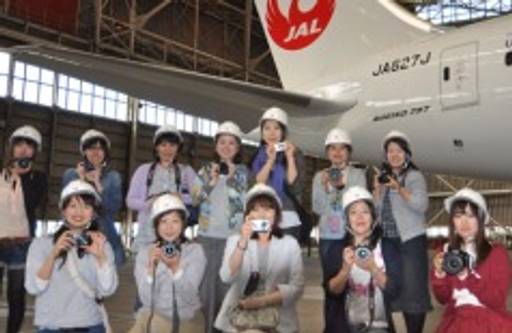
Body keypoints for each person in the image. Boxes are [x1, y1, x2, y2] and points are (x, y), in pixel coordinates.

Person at [25, 180, 118, 332]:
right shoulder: (41, 244)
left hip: (91, 325)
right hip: (52, 326)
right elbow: (34, 288)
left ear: (93, 213)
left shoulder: (101, 245)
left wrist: (101, 258)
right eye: (73, 206)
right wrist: (53, 254)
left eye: (86, 207)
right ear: (63, 210)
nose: (79, 212)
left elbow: (107, 289)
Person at [215, 183, 305, 333]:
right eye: (255, 209)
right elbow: (226, 277)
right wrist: (243, 242)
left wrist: (261, 302)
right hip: (239, 318)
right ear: (248, 216)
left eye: (268, 208)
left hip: (278, 319)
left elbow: (298, 287)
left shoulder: (290, 244)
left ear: (276, 214)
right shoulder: (234, 240)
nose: (262, 214)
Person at [373, 130, 431, 333]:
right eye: (390, 151)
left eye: (399, 150)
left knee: (413, 291)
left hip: (410, 240)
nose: (394, 154)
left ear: (407, 154)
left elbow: (421, 205)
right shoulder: (384, 179)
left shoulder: (414, 177)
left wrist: (398, 187)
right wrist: (377, 190)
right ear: (385, 156)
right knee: (387, 288)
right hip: (388, 241)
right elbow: (376, 211)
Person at [431, 188, 512, 333]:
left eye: (471, 215)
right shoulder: (445, 252)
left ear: (480, 219)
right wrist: (439, 275)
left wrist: (466, 276)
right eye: (458, 216)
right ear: (452, 221)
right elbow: (442, 299)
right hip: (455, 322)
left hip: (490, 322)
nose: (464, 222)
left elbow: (496, 300)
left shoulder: (497, 253)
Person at [196, 121, 249, 333]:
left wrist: (233, 176)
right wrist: (211, 180)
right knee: (208, 292)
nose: (226, 147)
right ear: (216, 146)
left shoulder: (244, 172)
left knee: (230, 291)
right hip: (208, 238)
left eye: (231, 143)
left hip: (234, 240)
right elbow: (195, 198)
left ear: (237, 148)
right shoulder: (206, 170)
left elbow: (247, 202)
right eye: (222, 142)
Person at [312, 128, 367, 332]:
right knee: (332, 287)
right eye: (332, 149)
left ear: (349, 152)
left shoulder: (358, 175)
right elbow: (317, 208)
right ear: (327, 153)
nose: (337, 153)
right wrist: (326, 187)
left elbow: (360, 203)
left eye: (342, 148)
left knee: (355, 286)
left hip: (352, 236)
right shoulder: (319, 177)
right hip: (329, 237)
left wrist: (341, 186)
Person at [326, 186, 401, 333]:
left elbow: (394, 291)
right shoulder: (337, 248)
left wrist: (373, 268)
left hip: (378, 325)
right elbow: (332, 292)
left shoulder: (387, 246)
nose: (359, 217)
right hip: (344, 325)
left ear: (373, 216)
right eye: (353, 212)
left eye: (365, 212)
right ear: (346, 219)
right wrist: (345, 270)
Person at [129, 194, 206, 333]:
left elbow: (188, 297)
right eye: (163, 221)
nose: (169, 227)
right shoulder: (145, 253)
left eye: (175, 221)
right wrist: (151, 268)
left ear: (183, 224)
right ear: (156, 225)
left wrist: (176, 268)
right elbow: (146, 300)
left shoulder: (194, 251)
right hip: (153, 317)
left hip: (186, 321)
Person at [0, 125, 47, 333]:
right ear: (12, 148)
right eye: (19, 144)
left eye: (29, 145)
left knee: (16, 295)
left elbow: (29, 203)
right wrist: (10, 176)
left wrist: (20, 177)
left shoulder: (38, 178)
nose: (24, 149)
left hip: (21, 244)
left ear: (35, 151)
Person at [126, 124, 202, 253]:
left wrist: (181, 198)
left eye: (172, 145)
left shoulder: (186, 171)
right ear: (156, 147)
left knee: (172, 268)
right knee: (145, 269)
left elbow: (201, 196)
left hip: (174, 235)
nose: (168, 150)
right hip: (146, 237)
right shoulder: (143, 170)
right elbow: (130, 201)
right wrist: (149, 203)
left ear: (178, 148)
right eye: (163, 145)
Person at [62, 129, 125, 266]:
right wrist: (81, 180)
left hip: (104, 231)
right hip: (76, 232)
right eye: (91, 148)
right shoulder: (71, 175)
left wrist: (97, 185)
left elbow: (112, 209)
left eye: (100, 148)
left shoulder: (113, 177)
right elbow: (66, 208)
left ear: (105, 153)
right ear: (84, 151)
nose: (96, 152)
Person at [251, 106, 305, 240]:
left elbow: (292, 182)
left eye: (276, 128)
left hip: (286, 216)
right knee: (262, 257)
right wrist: (270, 160)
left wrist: (290, 157)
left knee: (286, 259)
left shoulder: (294, 153)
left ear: (283, 132)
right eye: (267, 128)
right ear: (262, 132)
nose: (272, 133)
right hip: (262, 215)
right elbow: (259, 182)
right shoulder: (257, 156)